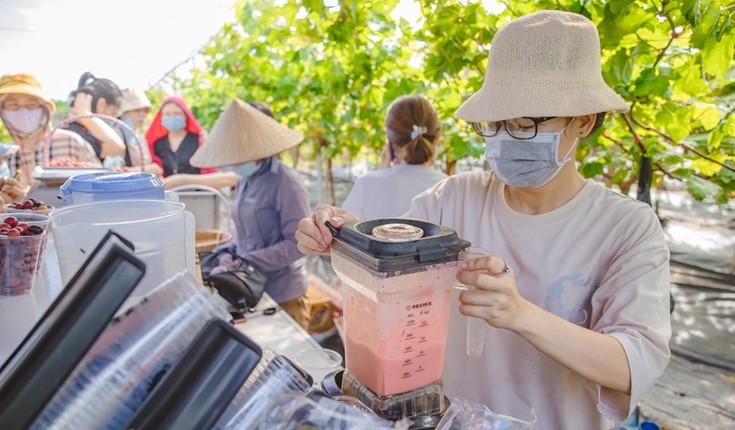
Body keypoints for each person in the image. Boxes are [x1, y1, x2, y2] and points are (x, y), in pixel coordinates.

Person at [294, 10, 671, 429]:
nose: (506, 135)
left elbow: (634, 364)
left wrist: (519, 313)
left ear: (582, 121)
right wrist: (347, 234)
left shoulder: (626, 228)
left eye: (524, 123)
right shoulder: (454, 197)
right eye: (495, 123)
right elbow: (393, 261)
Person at [189, 99, 312, 329]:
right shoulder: (246, 179)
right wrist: (229, 251)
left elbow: (298, 244)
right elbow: (244, 230)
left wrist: (247, 261)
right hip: (250, 288)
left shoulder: (286, 183)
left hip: (284, 294)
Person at [341, 95, 447, 218]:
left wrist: (383, 175)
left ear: (391, 144)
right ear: (438, 138)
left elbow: (342, 233)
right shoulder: (451, 189)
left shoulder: (367, 185)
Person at [0, 73, 101, 197]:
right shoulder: (6, 158)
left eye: (31, 105)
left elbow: (99, 186)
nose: (23, 112)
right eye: (13, 105)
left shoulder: (70, 142)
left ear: (44, 109)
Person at [63, 72, 127, 164]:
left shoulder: (76, 129)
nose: (112, 119)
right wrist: (84, 113)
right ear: (102, 104)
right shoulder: (78, 134)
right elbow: (117, 147)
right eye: (112, 113)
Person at [145, 96, 215, 177]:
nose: (172, 118)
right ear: (161, 117)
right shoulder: (158, 144)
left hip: (198, 188)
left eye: (177, 113)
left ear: (185, 116)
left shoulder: (198, 140)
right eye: (167, 114)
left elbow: (209, 170)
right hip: (168, 188)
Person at [115, 88, 163, 176]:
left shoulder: (140, 137)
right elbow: (114, 171)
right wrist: (148, 170)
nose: (143, 114)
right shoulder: (115, 135)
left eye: (145, 111)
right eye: (137, 110)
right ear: (124, 113)